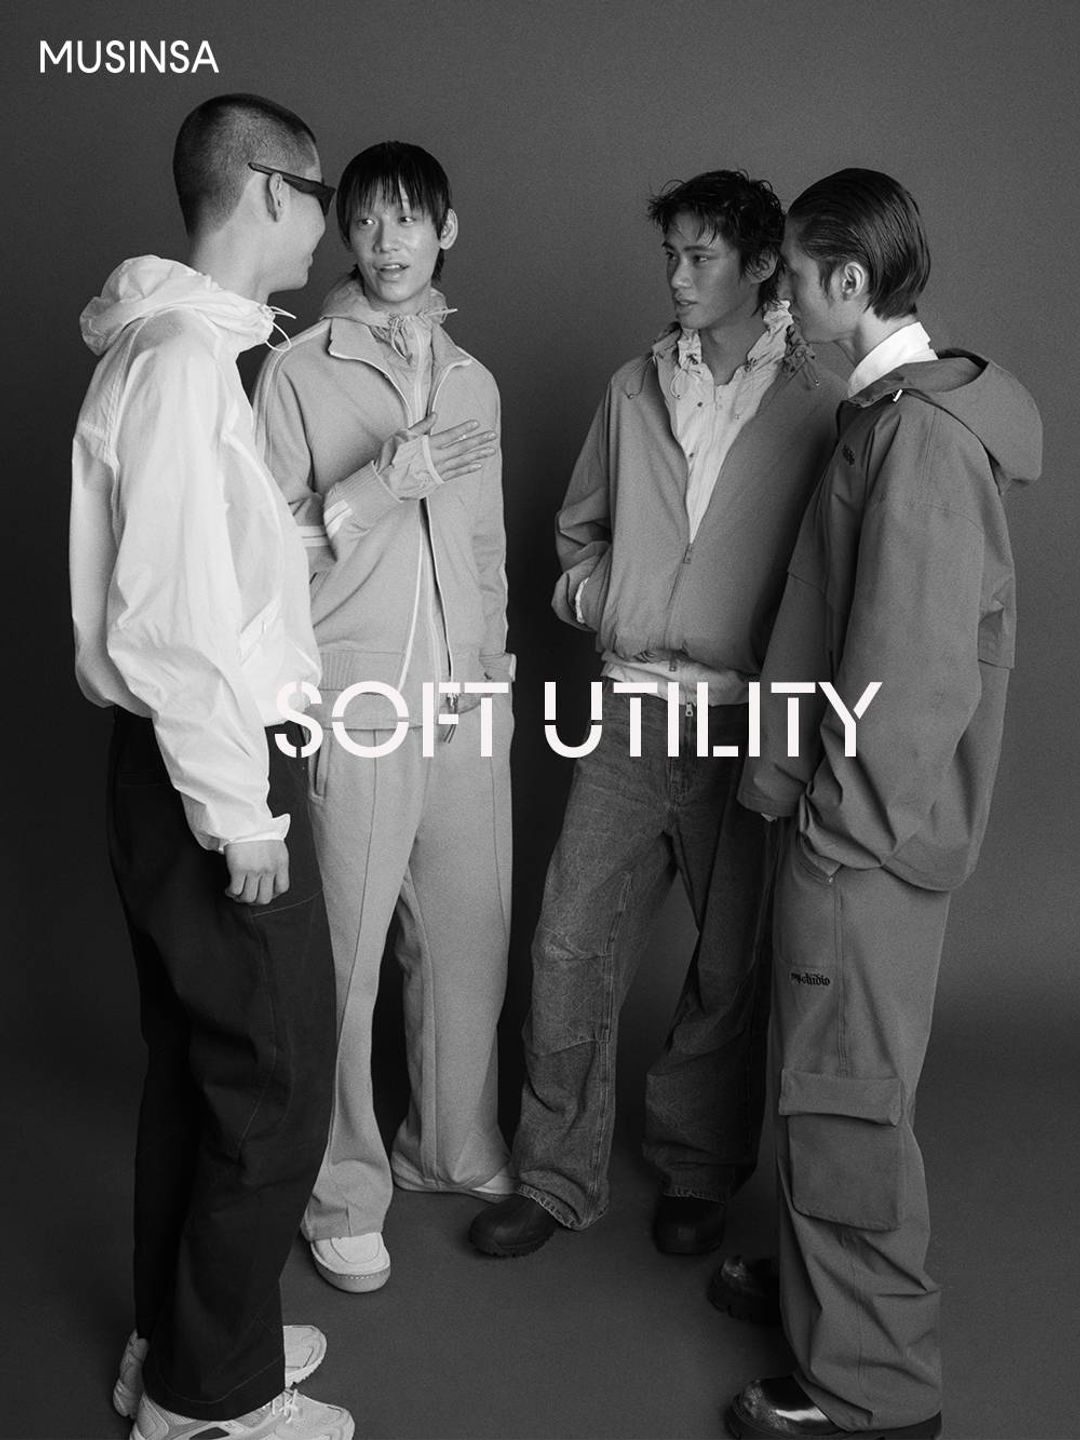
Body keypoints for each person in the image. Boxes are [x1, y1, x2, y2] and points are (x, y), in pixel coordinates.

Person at [469, 170, 845, 1262]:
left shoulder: (822, 399)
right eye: (670, 255)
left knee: (730, 965)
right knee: (567, 942)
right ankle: (554, 1175)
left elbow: (836, 563)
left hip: (748, 722)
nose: (677, 277)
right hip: (631, 708)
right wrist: (606, 601)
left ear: (762, 265)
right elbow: (577, 531)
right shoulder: (633, 385)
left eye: (700, 257)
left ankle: (697, 1168)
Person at [719, 170, 1041, 1440]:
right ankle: (823, 1290)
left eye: (797, 281)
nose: (784, 304)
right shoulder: (886, 414)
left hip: (862, 843)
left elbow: (911, 679)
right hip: (844, 822)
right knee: (824, 1078)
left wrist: (834, 830)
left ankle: (872, 1386)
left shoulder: (920, 440)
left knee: (844, 1096)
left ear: (850, 283)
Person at [70, 93, 353, 1440]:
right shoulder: (184, 360)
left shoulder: (173, 346)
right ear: (270, 190)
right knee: (276, 1083)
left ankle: (180, 1343)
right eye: (322, 195)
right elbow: (170, 618)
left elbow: (197, 571)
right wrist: (242, 812)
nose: (329, 223)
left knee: (200, 1073)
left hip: (170, 760)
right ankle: (207, 1404)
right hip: (211, 772)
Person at [253, 141, 514, 1296]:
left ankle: (449, 1147)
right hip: (353, 698)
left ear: (445, 230)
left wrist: (488, 676)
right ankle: (342, 1193)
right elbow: (258, 560)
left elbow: (486, 547)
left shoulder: (475, 382)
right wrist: (375, 486)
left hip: (463, 697)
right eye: (365, 221)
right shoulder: (295, 372)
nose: (387, 242)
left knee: (466, 937)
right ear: (345, 236)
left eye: (409, 219)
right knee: (346, 963)